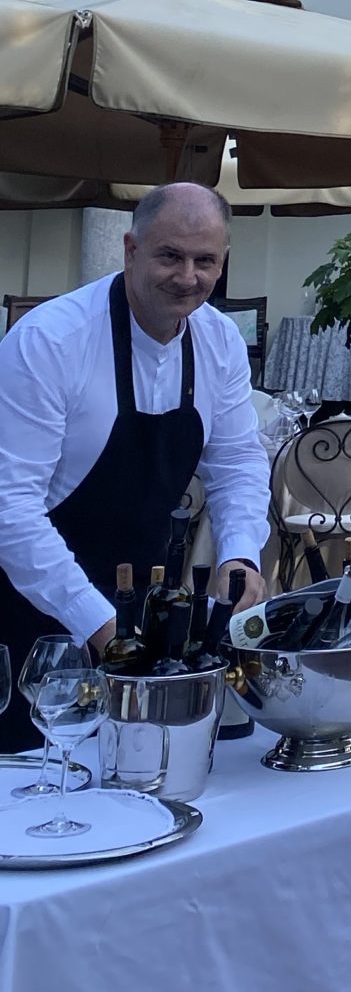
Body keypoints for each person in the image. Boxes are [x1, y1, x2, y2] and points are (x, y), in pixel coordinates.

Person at [0, 183, 269, 749]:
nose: (188, 277)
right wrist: (102, 626)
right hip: (28, 609)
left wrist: (240, 552)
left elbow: (238, 459)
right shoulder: (50, 341)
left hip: (139, 604)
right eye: (170, 255)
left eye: (205, 261)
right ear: (130, 250)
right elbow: (10, 508)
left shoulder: (219, 341)